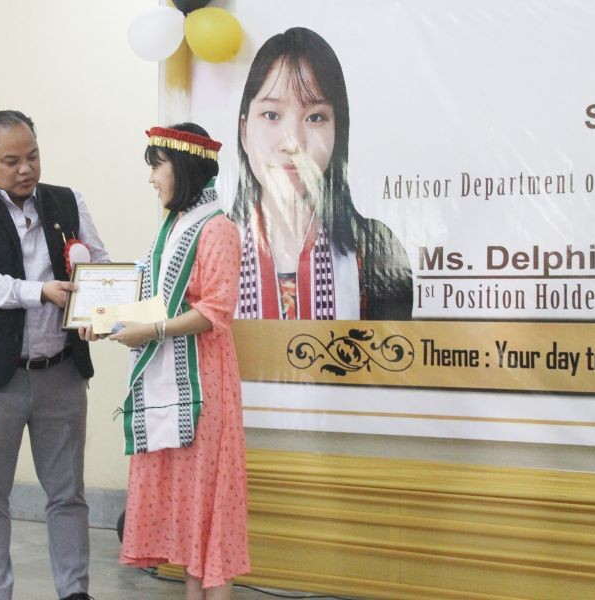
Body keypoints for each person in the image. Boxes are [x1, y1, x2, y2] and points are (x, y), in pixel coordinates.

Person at [0, 110, 108, 600]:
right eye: (10, 160)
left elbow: (97, 260)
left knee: (68, 494)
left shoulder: (67, 201)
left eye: (32, 155)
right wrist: (41, 292)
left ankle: (74, 591)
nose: (26, 169)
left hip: (61, 372)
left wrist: (100, 310)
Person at [82, 123, 249, 599]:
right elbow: (157, 301)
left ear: (185, 166)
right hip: (172, 383)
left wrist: (148, 331)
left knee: (208, 500)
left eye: (157, 165)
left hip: (204, 386)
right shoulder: (172, 228)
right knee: (192, 504)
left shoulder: (218, 229)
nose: (152, 178)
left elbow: (214, 312)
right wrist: (107, 319)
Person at [233, 27, 413, 320]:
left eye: (315, 117)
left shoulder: (376, 248)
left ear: (337, 134)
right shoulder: (213, 249)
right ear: (244, 131)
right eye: (272, 115)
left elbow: (389, 361)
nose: (293, 142)